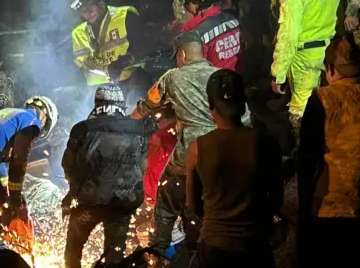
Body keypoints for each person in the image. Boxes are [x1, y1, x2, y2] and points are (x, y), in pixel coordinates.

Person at [130, 31, 220, 257]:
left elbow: (148, 104)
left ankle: (159, 252)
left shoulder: (172, 77)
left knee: (166, 199)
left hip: (188, 158)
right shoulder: (222, 76)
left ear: (182, 55)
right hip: (223, 153)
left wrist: (128, 122)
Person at [186, 69, 282, 268]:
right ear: (244, 103)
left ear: (212, 106)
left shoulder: (197, 149)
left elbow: (193, 205)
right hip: (255, 245)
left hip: (215, 246)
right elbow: (275, 199)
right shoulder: (266, 143)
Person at [298, 37, 360, 267]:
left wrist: (304, 215)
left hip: (330, 208)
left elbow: (307, 162)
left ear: (330, 69)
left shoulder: (323, 99)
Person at [62, 84, 147, 267]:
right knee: (115, 253)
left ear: (97, 103)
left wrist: (74, 190)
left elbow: (67, 165)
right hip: (123, 203)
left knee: (73, 248)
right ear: (121, 104)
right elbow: (143, 166)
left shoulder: (82, 128)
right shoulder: (138, 129)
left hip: (88, 202)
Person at [265, 0, 342, 132]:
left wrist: (278, 75)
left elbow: (288, 37)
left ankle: (307, 160)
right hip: (332, 55)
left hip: (305, 61)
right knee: (332, 110)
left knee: (302, 116)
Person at [0, 97, 58, 238]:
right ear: (45, 118)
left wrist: (8, 191)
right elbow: (19, 160)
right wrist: (16, 196)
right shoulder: (31, 122)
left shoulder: (10, 114)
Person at [71, 0, 144, 86]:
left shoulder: (125, 16)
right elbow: (78, 67)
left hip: (130, 81)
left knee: (135, 99)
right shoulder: (78, 33)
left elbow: (144, 48)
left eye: (90, 9)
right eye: (83, 11)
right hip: (95, 91)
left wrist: (123, 61)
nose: (87, 14)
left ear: (102, 4)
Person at [173, 0, 242, 71]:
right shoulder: (233, 20)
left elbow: (191, 76)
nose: (184, 9)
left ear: (195, 5)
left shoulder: (193, 37)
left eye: (185, 4)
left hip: (215, 84)